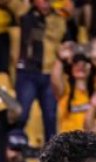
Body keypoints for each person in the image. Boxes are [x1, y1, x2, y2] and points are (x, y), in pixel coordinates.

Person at [14, 0, 66, 141]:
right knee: (21, 114)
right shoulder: (24, 12)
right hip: (27, 72)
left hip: (49, 73)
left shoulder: (60, 18)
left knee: (50, 116)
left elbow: (66, 42)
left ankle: (52, 152)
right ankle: (14, 149)